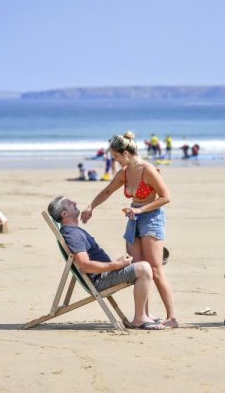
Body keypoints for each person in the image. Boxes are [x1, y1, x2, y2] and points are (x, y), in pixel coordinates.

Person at [81, 134, 177, 328]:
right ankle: (145, 316)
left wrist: (140, 209)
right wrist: (91, 206)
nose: (115, 161)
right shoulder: (125, 172)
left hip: (152, 218)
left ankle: (171, 318)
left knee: (156, 270)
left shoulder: (147, 170)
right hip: (134, 220)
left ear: (125, 153)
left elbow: (166, 197)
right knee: (142, 269)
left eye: (116, 157)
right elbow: (107, 191)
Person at [49, 196, 165, 330]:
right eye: (70, 204)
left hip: (104, 273)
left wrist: (118, 263)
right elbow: (85, 265)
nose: (75, 202)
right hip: (100, 280)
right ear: (64, 214)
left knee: (143, 264)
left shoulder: (73, 231)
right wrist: (116, 265)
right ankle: (139, 319)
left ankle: (144, 314)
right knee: (144, 268)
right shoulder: (72, 234)